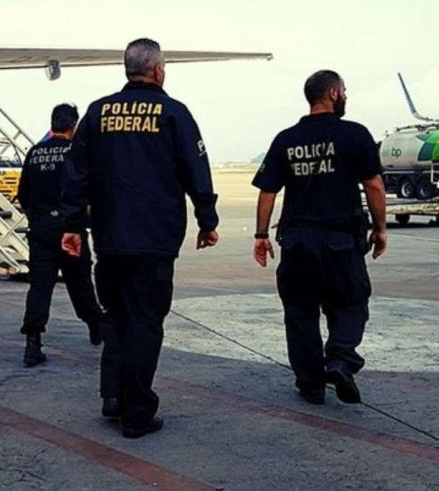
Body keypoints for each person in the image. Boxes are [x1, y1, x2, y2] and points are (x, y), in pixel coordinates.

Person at [59, 38, 220, 438]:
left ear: (127, 69)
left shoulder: (97, 113)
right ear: (159, 70)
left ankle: (112, 397)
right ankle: (137, 412)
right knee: (146, 323)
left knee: (116, 319)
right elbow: (195, 169)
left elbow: (76, 174)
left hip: (110, 239)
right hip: (154, 240)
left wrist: (72, 226)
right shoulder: (174, 113)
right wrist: (207, 218)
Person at [252, 70, 387, 406]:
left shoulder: (286, 139)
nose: (345, 95)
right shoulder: (355, 135)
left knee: (300, 312)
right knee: (351, 303)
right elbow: (374, 185)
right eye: (343, 90)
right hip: (340, 241)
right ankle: (340, 359)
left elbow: (268, 191)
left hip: (297, 242)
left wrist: (260, 234)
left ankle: (310, 384)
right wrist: (380, 228)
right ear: (332, 93)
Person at [17, 104, 104, 367]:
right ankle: (96, 326)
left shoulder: (34, 153)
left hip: (41, 229)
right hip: (71, 228)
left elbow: (23, 194)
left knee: (40, 286)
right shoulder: (77, 152)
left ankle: (32, 343)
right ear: (73, 125)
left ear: (52, 124)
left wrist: (37, 218)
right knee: (80, 283)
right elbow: (87, 190)